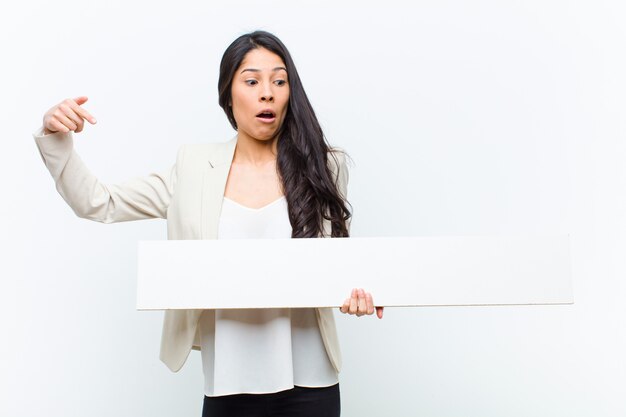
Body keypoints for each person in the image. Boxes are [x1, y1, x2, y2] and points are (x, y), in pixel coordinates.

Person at [33, 30, 384, 417]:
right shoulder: (194, 168)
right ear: (228, 95)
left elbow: (339, 265)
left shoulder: (323, 166)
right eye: (251, 81)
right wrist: (55, 136)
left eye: (279, 81)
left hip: (313, 380)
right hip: (228, 383)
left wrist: (361, 292)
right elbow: (99, 202)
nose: (267, 92)